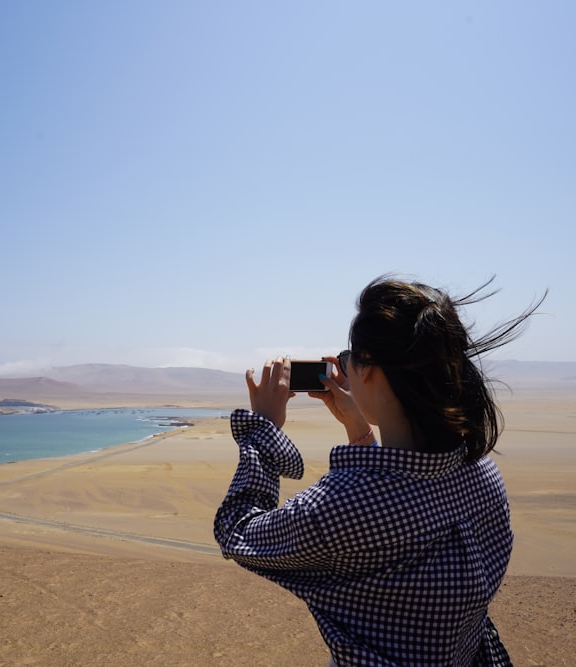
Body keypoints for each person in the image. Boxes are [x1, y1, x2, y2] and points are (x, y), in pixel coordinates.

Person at [213, 275, 545, 666]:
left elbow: (237, 533)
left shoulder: (346, 505)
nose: (344, 365)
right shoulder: (481, 474)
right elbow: (405, 509)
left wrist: (263, 430)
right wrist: (360, 433)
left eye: (349, 355)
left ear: (367, 367)